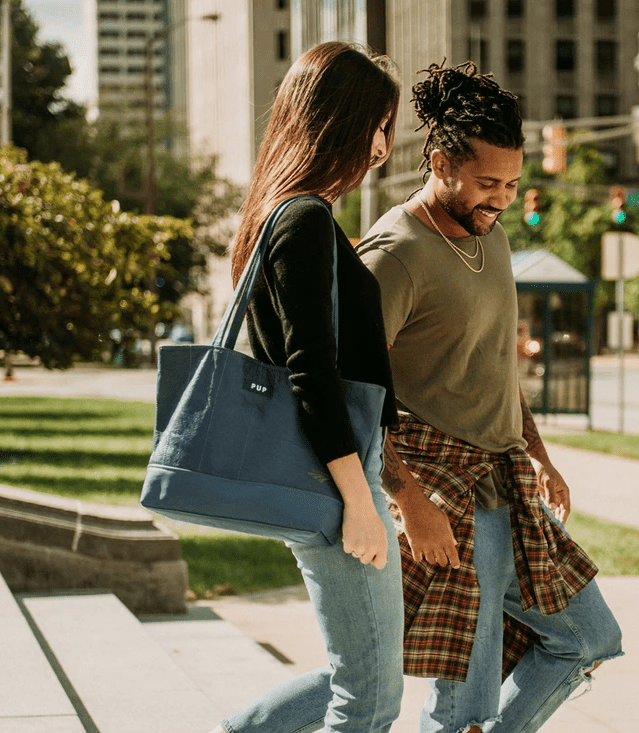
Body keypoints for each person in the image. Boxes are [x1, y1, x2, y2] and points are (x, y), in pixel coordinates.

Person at [356, 61, 624, 733]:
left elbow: (493, 366)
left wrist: (538, 452)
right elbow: (349, 388)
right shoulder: (396, 252)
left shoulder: (492, 237)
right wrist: (406, 496)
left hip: (509, 487)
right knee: (460, 706)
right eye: (485, 183)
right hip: (451, 501)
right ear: (439, 160)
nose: (500, 198)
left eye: (510, 183)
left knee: (586, 636)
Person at [210, 41, 403, 733]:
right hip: (335, 482)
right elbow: (311, 372)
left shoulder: (289, 212)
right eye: (379, 124)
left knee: (359, 676)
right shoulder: (304, 218)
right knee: (370, 699)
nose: (384, 144)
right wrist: (359, 501)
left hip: (338, 477)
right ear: (340, 122)